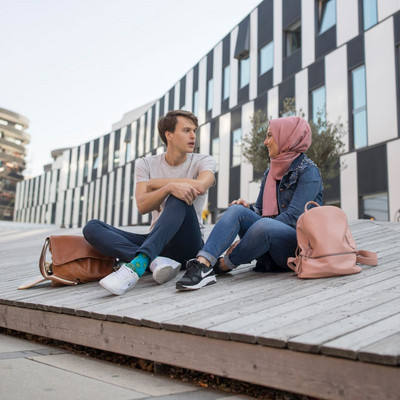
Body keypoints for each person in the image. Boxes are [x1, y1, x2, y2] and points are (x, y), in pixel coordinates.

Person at [176, 116, 323, 290]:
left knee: (264, 225)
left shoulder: (308, 171)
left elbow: (293, 218)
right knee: (237, 210)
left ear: (287, 138)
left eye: (270, 136)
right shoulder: (271, 171)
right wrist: (249, 208)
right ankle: (203, 265)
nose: (265, 141)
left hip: (294, 249)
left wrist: (250, 233)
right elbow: (261, 211)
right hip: (265, 243)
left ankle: (223, 265)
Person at [83, 110, 216, 295]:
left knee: (179, 194)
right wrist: (167, 187)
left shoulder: (204, 160)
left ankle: (138, 265)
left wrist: (160, 185)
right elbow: (143, 206)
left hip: (189, 244)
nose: (193, 135)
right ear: (169, 135)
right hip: (157, 240)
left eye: (194, 130)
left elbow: (201, 186)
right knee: (92, 227)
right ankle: (156, 262)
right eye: (186, 130)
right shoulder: (146, 164)